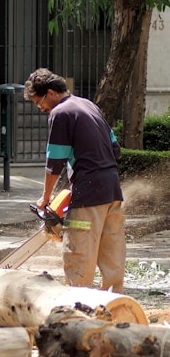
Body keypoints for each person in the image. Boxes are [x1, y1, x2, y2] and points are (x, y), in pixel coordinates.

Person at [24, 68, 126, 293]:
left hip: (88, 192)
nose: (40, 107)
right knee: (112, 250)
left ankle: (78, 304)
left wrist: (46, 197)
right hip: (112, 188)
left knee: (78, 250)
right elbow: (115, 148)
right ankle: (116, 301)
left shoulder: (60, 113)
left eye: (38, 101)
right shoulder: (88, 105)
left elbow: (55, 161)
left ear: (50, 93)